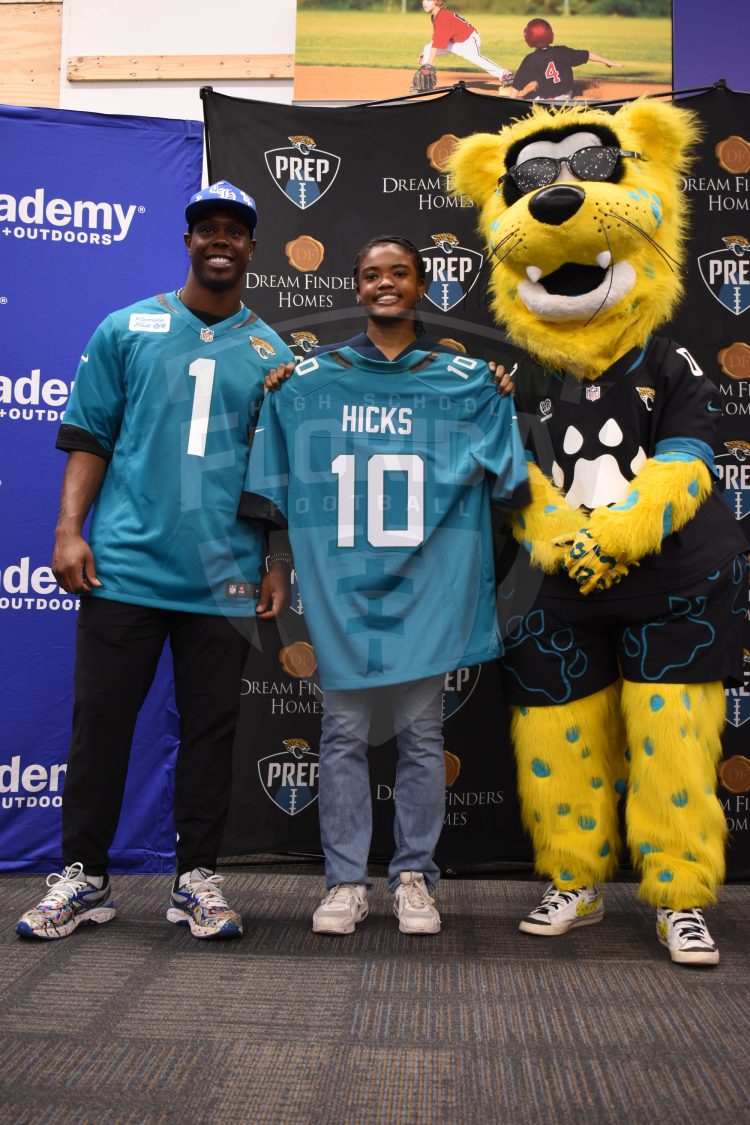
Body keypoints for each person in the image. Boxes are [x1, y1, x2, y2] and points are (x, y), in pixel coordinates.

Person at [16, 182, 294, 943]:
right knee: (99, 724)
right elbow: (88, 436)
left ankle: (195, 878)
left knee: (212, 728)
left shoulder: (275, 352)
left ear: (251, 249)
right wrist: (69, 529)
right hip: (127, 567)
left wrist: (277, 560)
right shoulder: (126, 327)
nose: (219, 240)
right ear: (187, 240)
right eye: (206, 227)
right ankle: (85, 877)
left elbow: (277, 473)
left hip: (224, 575)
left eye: (234, 231)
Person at [246, 236, 530, 936]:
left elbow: (513, 481)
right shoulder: (312, 379)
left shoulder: (462, 378)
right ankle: (346, 881)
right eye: (371, 274)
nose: (384, 284)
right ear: (356, 286)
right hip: (345, 592)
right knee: (341, 733)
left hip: (424, 591)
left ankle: (413, 875)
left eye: (397, 273)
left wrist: (494, 391)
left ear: (421, 285)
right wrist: (285, 392)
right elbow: (274, 480)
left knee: (421, 737)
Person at [508, 18, 622, 101]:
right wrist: (607, 61)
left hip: (544, 101)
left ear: (529, 38)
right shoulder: (562, 51)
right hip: (565, 97)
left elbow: (517, 86)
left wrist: (509, 102)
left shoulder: (530, 60)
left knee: (528, 96)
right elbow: (587, 55)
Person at [418, 0, 514, 89]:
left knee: (476, 58)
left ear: (437, 1)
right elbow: (436, 37)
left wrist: (429, 64)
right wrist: (425, 52)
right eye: (423, 0)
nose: (424, 3)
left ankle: (505, 74)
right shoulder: (436, 16)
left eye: (428, 0)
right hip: (455, 40)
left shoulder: (443, 17)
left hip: (468, 40)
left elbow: (437, 43)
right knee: (427, 48)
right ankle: (427, 82)